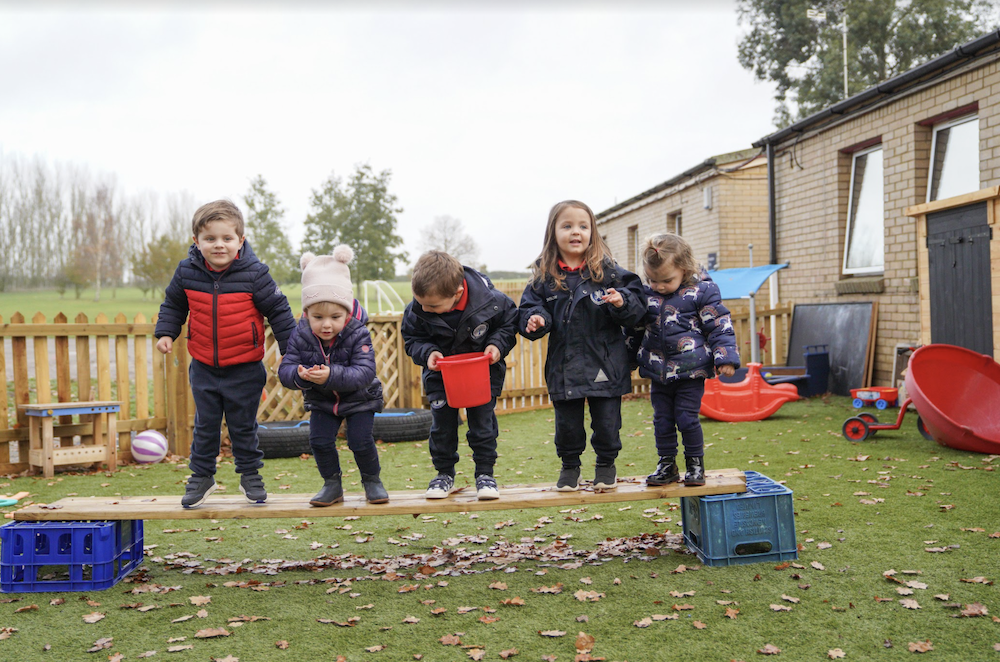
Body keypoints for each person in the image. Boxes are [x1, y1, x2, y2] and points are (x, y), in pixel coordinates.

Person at [155, 199, 296, 508]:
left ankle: (250, 476)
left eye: (226, 238)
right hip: (204, 365)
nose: (219, 245)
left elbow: (280, 312)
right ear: (196, 241)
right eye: (210, 239)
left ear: (240, 241)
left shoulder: (255, 274)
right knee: (205, 425)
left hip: (245, 366)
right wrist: (166, 333)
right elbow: (173, 305)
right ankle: (201, 477)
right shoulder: (186, 272)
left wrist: (291, 352)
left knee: (243, 426)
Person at [518, 200, 646, 492]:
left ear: (592, 232)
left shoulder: (609, 272)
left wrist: (622, 301)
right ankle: (570, 467)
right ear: (553, 233)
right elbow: (528, 309)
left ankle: (606, 464)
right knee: (568, 425)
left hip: (606, 362)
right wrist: (535, 319)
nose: (575, 232)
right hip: (565, 364)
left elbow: (638, 305)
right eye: (567, 226)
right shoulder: (544, 278)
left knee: (607, 423)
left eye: (582, 226)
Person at [401, 251, 519, 500]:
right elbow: (413, 339)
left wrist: (497, 344)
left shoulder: (493, 302)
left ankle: (485, 475)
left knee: (482, 426)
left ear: (457, 293)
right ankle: (443, 474)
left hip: (481, 375)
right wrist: (428, 352)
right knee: (442, 427)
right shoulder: (417, 310)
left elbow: (509, 324)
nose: (423, 308)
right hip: (441, 377)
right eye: (419, 301)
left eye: (432, 305)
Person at [277, 246, 388, 506]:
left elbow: (364, 372)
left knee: (360, 441)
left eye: (335, 317)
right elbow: (286, 369)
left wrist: (330, 376)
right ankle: (332, 485)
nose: (326, 324)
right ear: (305, 314)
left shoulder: (357, 333)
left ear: (347, 313)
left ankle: (372, 481)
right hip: (323, 401)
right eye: (318, 317)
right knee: (319, 441)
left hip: (360, 398)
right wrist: (300, 374)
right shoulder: (300, 334)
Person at [628, 233, 739, 487]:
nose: (659, 286)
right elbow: (634, 330)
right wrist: (627, 362)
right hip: (659, 372)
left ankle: (695, 464)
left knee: (687, 418)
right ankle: (666, 464)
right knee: (662, 420)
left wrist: (726, 358)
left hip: (692, 371)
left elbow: (719, 325)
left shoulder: (703, 290)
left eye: (667, 280)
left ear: (685, 268)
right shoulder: (646, 294)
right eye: (652, 280)